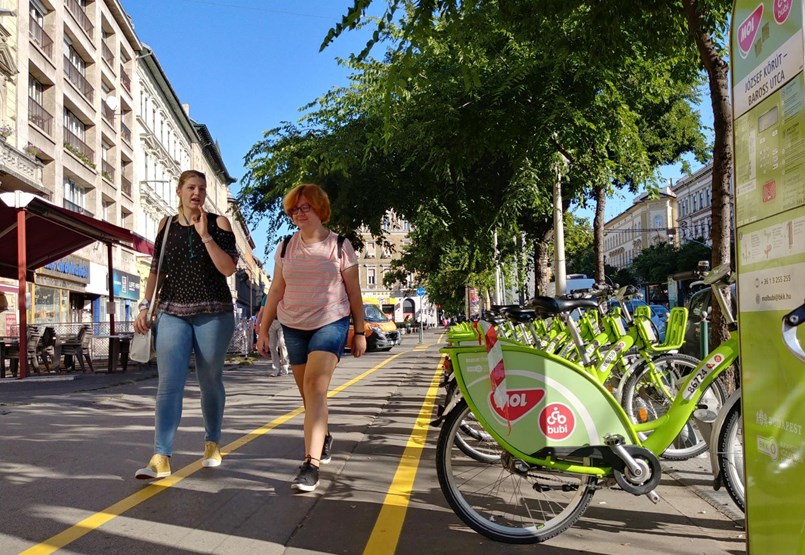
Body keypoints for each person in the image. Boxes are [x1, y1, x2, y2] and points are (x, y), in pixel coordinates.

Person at [257, 183, 366, 493]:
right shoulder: (285, 247)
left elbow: (354, 293)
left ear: (320, 209)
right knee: (309, 396)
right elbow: (275, 290)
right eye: (294, 209)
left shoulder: (340, 246)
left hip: (330, 322)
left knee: (315, 387)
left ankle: (310, 465)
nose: (299, 214)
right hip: (293, 325)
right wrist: (263, 330)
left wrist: (358, 332)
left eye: (305, 207)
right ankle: (324, 436)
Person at [133, 170, 238, 480]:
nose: (197, 193)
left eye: (202, 189)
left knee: (209, 381)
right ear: (179, 191)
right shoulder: (165, 226)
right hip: (172, 312)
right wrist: (144, 305)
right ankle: (161, 456)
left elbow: (228, 268)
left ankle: (212, 442)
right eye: (191, 187)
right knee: (169, 384)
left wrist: (205, 235)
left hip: (213, 314)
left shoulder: (219, 224)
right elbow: (156, 270)